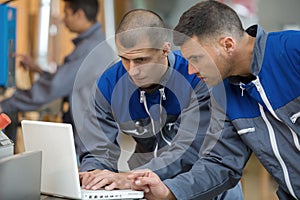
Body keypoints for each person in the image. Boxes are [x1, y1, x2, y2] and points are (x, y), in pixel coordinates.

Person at [128, 1, 300, 200]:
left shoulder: (293, 51)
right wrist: (168, 191)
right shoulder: (222, 93)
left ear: (227, 44)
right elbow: (221, 163)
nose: (191, 70)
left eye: (196, 58)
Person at [77, 9, 243, 199]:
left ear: (165, 50)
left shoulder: (196, 76)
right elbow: (97, 149)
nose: (132, 71)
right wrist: (94, 176)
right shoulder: (108, 85)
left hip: (204, 189)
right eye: (125, 59)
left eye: (141, 60)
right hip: (146, 188)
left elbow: (188, 150)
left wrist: (129, 178)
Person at [0, 0, 105, 140]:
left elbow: (55, 86)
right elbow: (67, 78)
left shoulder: (89, 49)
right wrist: (37, 69)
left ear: (80, 14)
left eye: (66, 13)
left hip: (90, 137)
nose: (63, 18)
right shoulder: (96, 44)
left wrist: (6, 105)